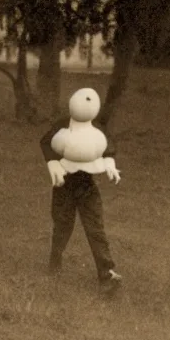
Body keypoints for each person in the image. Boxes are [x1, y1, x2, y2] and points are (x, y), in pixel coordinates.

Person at [40, 87, 123, 297]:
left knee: (95, 228)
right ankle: (55, 261)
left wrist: (110, 164)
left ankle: (106, 274)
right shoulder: (62, 124)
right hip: (64, 186)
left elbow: (107, 147)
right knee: (62, 225)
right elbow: (46, 142)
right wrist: (53, 164)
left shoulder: (97, 127)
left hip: (87, 186)